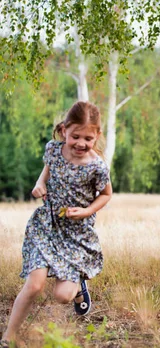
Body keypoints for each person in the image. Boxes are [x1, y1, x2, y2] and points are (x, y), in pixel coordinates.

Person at [1, 101, 112, 346]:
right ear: (64, 130)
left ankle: (79, 286)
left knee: (62, 296)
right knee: (34, 285)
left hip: (76, 234)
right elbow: (47, 169)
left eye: (88, 138)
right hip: (47, 226)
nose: (81, 143)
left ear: (97, 136)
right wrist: (40, 184)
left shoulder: (97, 167)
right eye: (75, 136)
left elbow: (106, 194)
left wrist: (85, 212)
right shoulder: (54, 149)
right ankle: (8, 338)